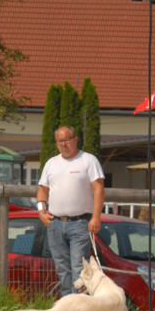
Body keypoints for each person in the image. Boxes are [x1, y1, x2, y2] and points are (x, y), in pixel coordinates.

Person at [37, 126, 105, 297]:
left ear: (75, 139)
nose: (63, 143)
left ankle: (79, 301)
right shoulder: (51, 163)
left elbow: (99, 189)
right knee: (61, 267)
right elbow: (42, 190)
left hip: (80, 222)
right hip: (55, 223)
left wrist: (96, 217)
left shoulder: (88, 160)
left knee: (78, 266)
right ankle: (68, 299)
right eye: (59, 141)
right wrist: (41, 212)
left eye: (66, 139)